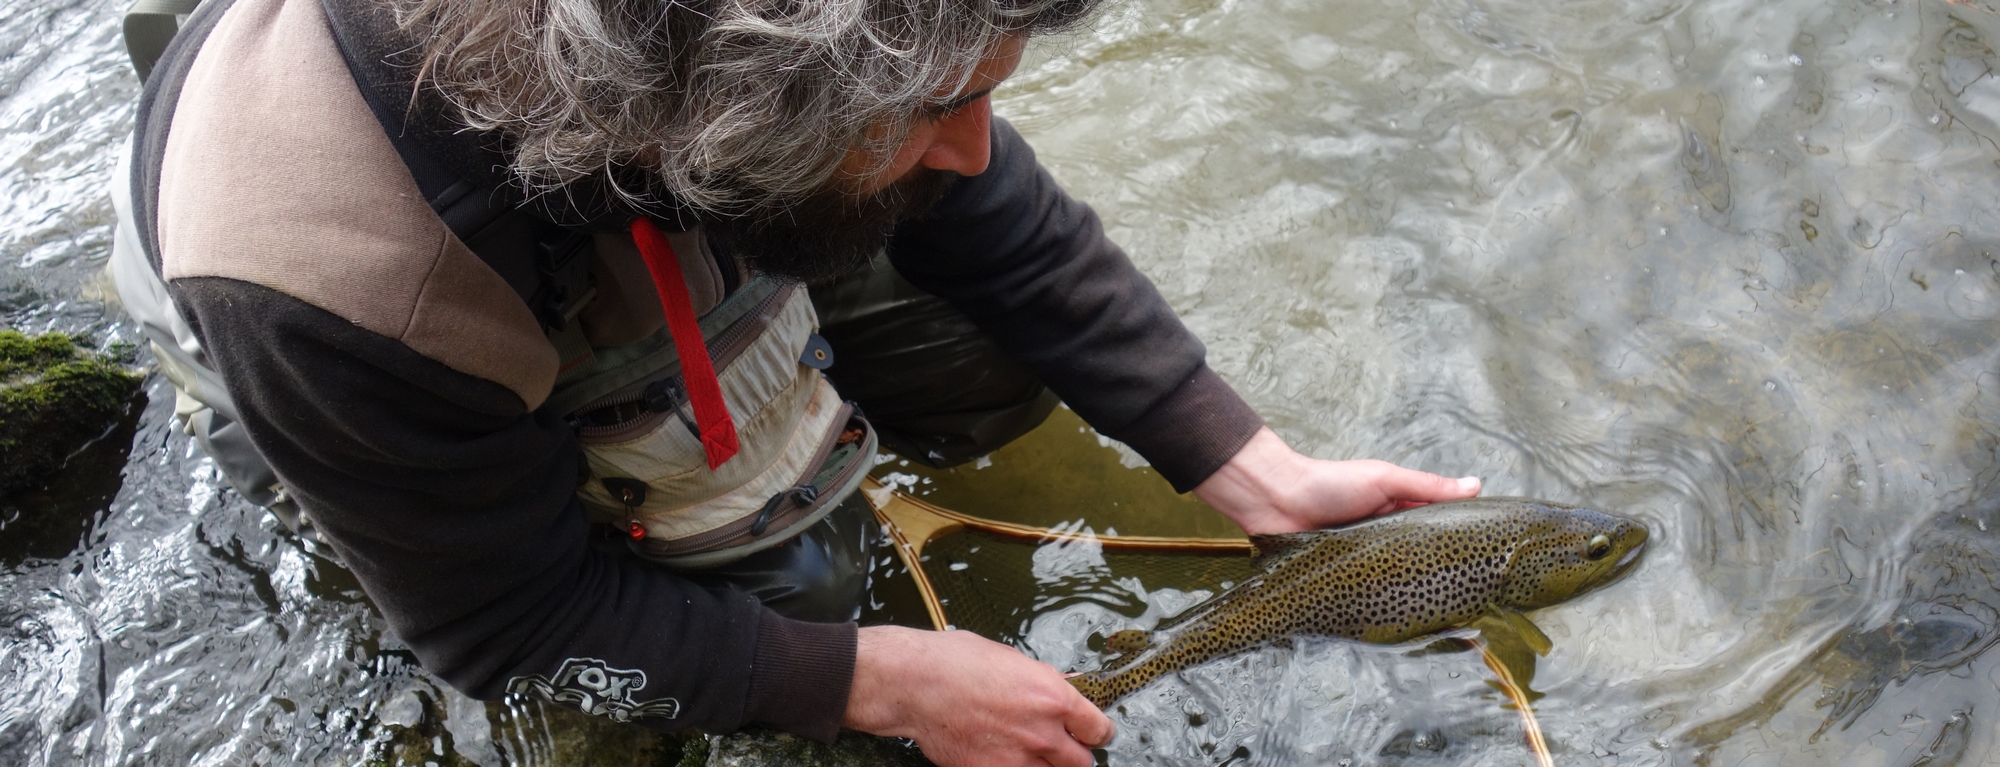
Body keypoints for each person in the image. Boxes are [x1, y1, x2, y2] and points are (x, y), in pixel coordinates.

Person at [106, 0, 1482, 764]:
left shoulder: (793, 57)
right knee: (790, 587)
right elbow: (506, 625)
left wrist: (1243, 462)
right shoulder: (352, 292)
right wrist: (865, 683)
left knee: (982, 359)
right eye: (940, 112)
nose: (978, 147)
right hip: (386, 349)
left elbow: (986, 204)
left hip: (639, 166)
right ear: (725, 129)